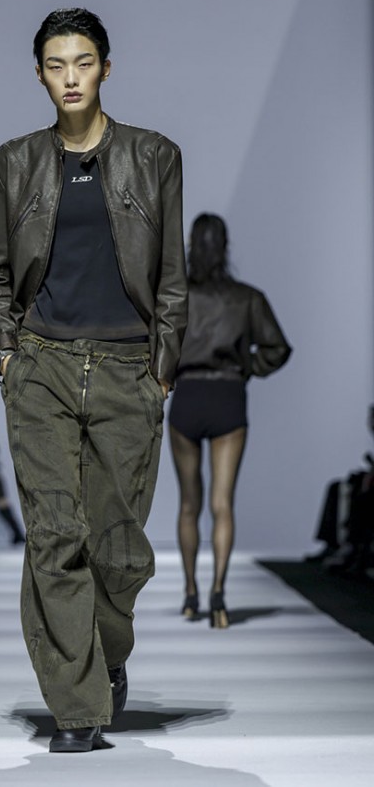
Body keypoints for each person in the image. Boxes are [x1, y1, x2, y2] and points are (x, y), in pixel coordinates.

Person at [0, 8, 187, 752]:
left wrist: (163, 366)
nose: (71, 77)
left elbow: (171, 274)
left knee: (118, 547)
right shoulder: (12, 163)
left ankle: (108, 654)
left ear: (106, 67)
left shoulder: (155, 156)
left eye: (84, 62)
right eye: (56, 64)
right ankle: (77, 709)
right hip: (42, 365)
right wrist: (8, 351)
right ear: (39, 74)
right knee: (53, 534)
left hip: (130, 368)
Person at [168, 213, 291, 628]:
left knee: (189, 504)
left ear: (190, 245)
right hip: (228, 399)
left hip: (187, 397)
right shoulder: (247, 298)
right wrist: (245, 367)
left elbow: (156, 345)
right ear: (225, 246)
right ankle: (218, 594)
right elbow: (277, 348)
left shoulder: (175, 296)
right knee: (223, 504)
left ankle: (190, 595)